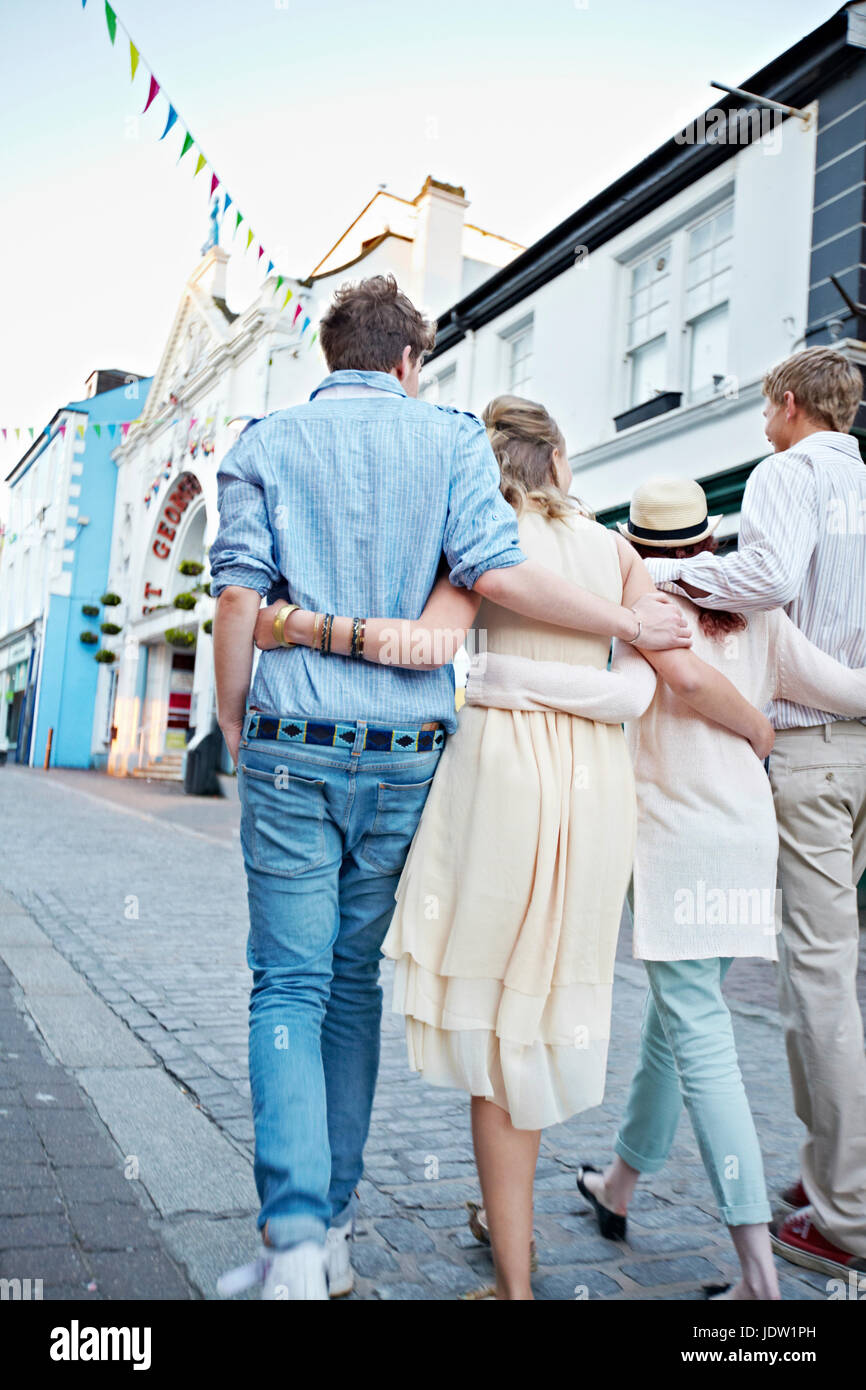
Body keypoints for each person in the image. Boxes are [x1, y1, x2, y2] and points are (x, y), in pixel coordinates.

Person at [209, 278, 690, 1300]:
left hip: (292, 735)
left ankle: (296, 1242)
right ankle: (335, 1232)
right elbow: (493, 572)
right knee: (348, 982)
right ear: (408, 361)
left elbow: (240, 593)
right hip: (402, 748)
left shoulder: (261, 443)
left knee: (288, 984)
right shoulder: (446, 441)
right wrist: (630, 621)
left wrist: (236, 719)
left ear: (329, 356)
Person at [256, 400, 768, 1301]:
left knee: (494, 1024)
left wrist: (301, 627)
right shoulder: (618, 553)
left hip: (498, 780)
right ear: (561, 460)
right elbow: (651, 686)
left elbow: (428, 646)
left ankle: (515, 1285)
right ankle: (506, 1229)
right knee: (534, 1018)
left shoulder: (482, 539)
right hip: (593, 791)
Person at [468, 475, 866, 1299]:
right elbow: (843, 690)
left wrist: (493, 684)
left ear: (634, 543)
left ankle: (757, 1270)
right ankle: (620, 1183)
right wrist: (762, 722)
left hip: (675, 848)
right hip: (747, 844)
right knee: (679, 1014)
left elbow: (640, 693)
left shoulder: (642, 608)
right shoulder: (762, 617)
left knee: (700, 1037)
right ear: (707, 541)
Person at [644, 347, 866, 1278]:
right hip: (855, 738)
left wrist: (678, 580)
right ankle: (826, 1175)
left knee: (819, 977)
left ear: (787, 405)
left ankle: (848, 1213)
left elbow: (768, 578)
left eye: (762, 408)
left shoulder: (786, 470)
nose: (760, 426)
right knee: (832, 966)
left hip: (809, 747)